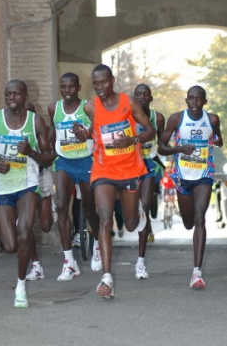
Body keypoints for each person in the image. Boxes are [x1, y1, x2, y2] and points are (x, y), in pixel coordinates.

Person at [73, 64, 156, 299]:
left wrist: (133, 139)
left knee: (130, 224)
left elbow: (150, 131)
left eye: (104, 82)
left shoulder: (128, 103)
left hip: (130, 170)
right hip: (103, 170)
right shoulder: (90, 107)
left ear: (113, 80)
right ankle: (107, 278)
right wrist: (85, 134)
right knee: (105, 216)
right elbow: (96, 130)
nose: (100, 87)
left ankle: (136, 211)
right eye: (95, 83)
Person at [0, 79, 53, 307]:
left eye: (16, 94)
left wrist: (32, 153)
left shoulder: (35, 121)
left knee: (25, 233)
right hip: (3, 186)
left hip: (27, 183)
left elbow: (49, 156)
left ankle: (20, 286)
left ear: (25, 95)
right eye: (8, 94)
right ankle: (19, 249)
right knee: (9, 246)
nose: (12, 98)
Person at [158, 85, 223, 289]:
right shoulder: (177, 119)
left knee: (199, 218)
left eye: (199, 99)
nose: (195, 103)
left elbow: (219, 139)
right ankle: (189, 225)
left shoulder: (212, 119)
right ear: (187, 101)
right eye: (191, 99)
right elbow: (162, 146)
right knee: (188, 222)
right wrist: (179, 148)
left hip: (204, 175)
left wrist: (218, 140)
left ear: (204, 102)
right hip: (182, 176)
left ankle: (197, 272)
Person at [48, 72, 101, 282]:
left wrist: (87, 133)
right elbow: (52, 131)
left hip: (86, 160)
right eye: (63, 87)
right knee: (61, 206)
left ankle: (97, 244)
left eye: (71, 87)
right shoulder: (54, 108)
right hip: (64, 161)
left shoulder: (88, 107)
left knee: (88, 208)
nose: (67, 91)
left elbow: (98, 129)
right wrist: (45, 151)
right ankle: (69, 262)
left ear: (78, 88)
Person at [133, 84, 165, 279]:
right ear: (134, 98)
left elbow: (163, 145)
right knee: (130, 214)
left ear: (151, 98)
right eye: (138, 94)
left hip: (149, 166)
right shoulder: (126, 116)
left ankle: (140, 263)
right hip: (129, 166)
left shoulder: (158, 118)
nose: (142, 97)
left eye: (146, 94)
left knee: (144, 209)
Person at [24, 101, 56, 281]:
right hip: (22, 181)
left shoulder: (40, 129)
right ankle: (36, 265)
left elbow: (48, 158)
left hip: (42, 176)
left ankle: (51, 210)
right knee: (25, 224)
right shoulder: (12, 129)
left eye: (29, 113)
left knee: (45, 226)